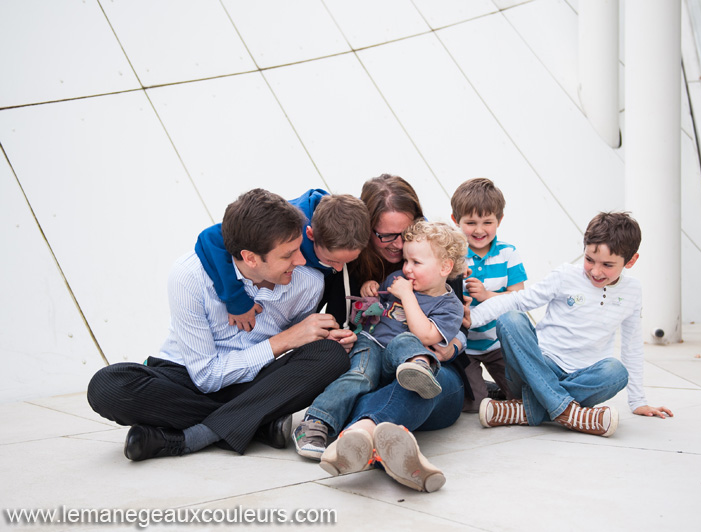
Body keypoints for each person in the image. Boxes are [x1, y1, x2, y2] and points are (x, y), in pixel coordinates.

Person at [86, 189, 353, 461]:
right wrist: (284, 341)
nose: (300, 260)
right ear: (250, 258)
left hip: (256, 379)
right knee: (107, 387)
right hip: (186, 376)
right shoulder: (188, 275)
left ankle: (191, 437)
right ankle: (257, 420)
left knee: (331, 356)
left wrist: (323, 337)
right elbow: (206, 376)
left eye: (298, 249)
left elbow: (299, 354)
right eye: (288, 255)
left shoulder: (308, 281)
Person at [292, 174, 472, 460]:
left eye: (406, 233)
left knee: (421, 386)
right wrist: (342, 334)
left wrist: (453, 346)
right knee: (361, 378)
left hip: (431, 369)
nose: (399, 245)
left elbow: (458, 323)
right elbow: (337, 321)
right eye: (386, 235)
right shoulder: (347, 262)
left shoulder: (437, 252)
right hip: (374, 358)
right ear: (366, 232)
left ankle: (360, 433)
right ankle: (359, 437)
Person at [470, 212, 673, 437]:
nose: (596, 271)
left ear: (631, 261)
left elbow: (632, 345)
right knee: (511, 319)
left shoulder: (633, 291)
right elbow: (517, 300)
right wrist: (472, 318)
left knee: (616, 372)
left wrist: (638, 401)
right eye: (589, 260)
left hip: (583, 378)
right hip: (537, 368)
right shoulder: (565, 275)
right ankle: (566, 410)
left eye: (607, 265)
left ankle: (523, 411)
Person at [194, 189, 371, 331]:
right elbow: (210, 237)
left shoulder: (350, 224)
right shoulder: (289, 226)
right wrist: (236, 298)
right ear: (309, 234)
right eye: (332, 260)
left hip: (311, 288)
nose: (339, 268)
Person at [450, 178, 527, 412]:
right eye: (470, 222)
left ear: (499, 220)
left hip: (496, 343)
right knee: (475, 406)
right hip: (465, 347)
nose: (480, 230)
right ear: (456, 221)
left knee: (521, 396)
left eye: (488, 222)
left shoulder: (508, 253)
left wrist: (486, 295)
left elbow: (518, 298)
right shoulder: (453, 256)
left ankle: (494, 386)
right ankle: (483, 388)